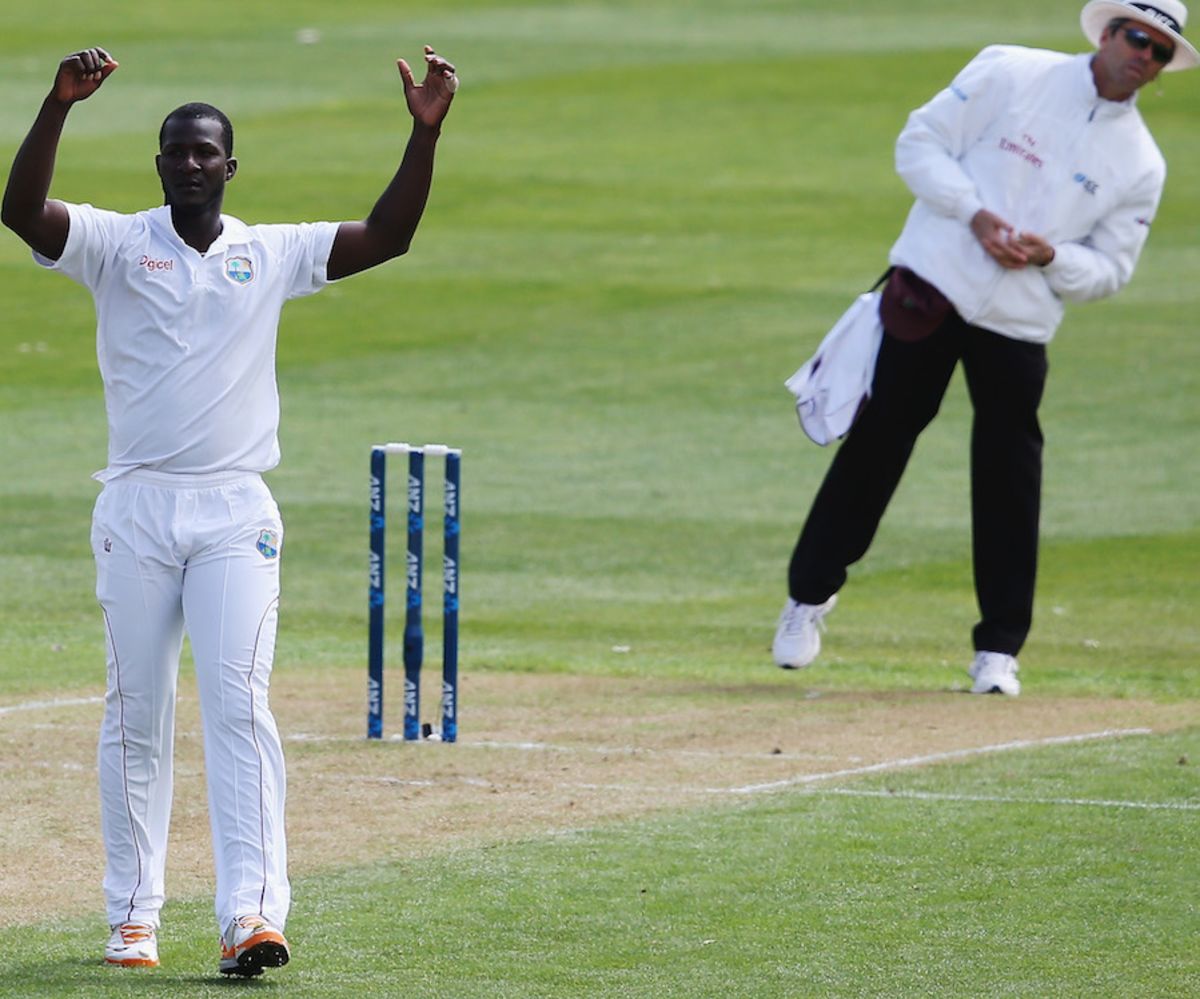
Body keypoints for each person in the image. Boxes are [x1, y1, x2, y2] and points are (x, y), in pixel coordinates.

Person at [1, 43, 458, 975]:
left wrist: (424, 134)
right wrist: (57, 106)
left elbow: (388, 236)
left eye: (206, 151)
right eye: (177, 151)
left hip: (236, 513)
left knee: (241, 708)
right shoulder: (116, 244)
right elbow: (20, 212)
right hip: (136, 508)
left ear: (230, 166)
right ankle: (133, 917)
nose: (191, 163)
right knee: (136, 713)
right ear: (159, 165)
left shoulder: (269, 251)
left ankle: (250, 915)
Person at [772, 1, 1197, 696]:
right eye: (1134, 38)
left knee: (1009, 475)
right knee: (879, 440)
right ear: (1107, 33)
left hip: (1019, 320)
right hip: (934, 285)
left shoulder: (1141, 162)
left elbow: (1110, 270)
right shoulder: (1012, 71)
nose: (1142, 56)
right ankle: (807, 598)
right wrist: (973, 214)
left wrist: (1051, 256)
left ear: (1162, 67)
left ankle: (999, 650)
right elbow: (920, 143)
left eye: (1158, 50)